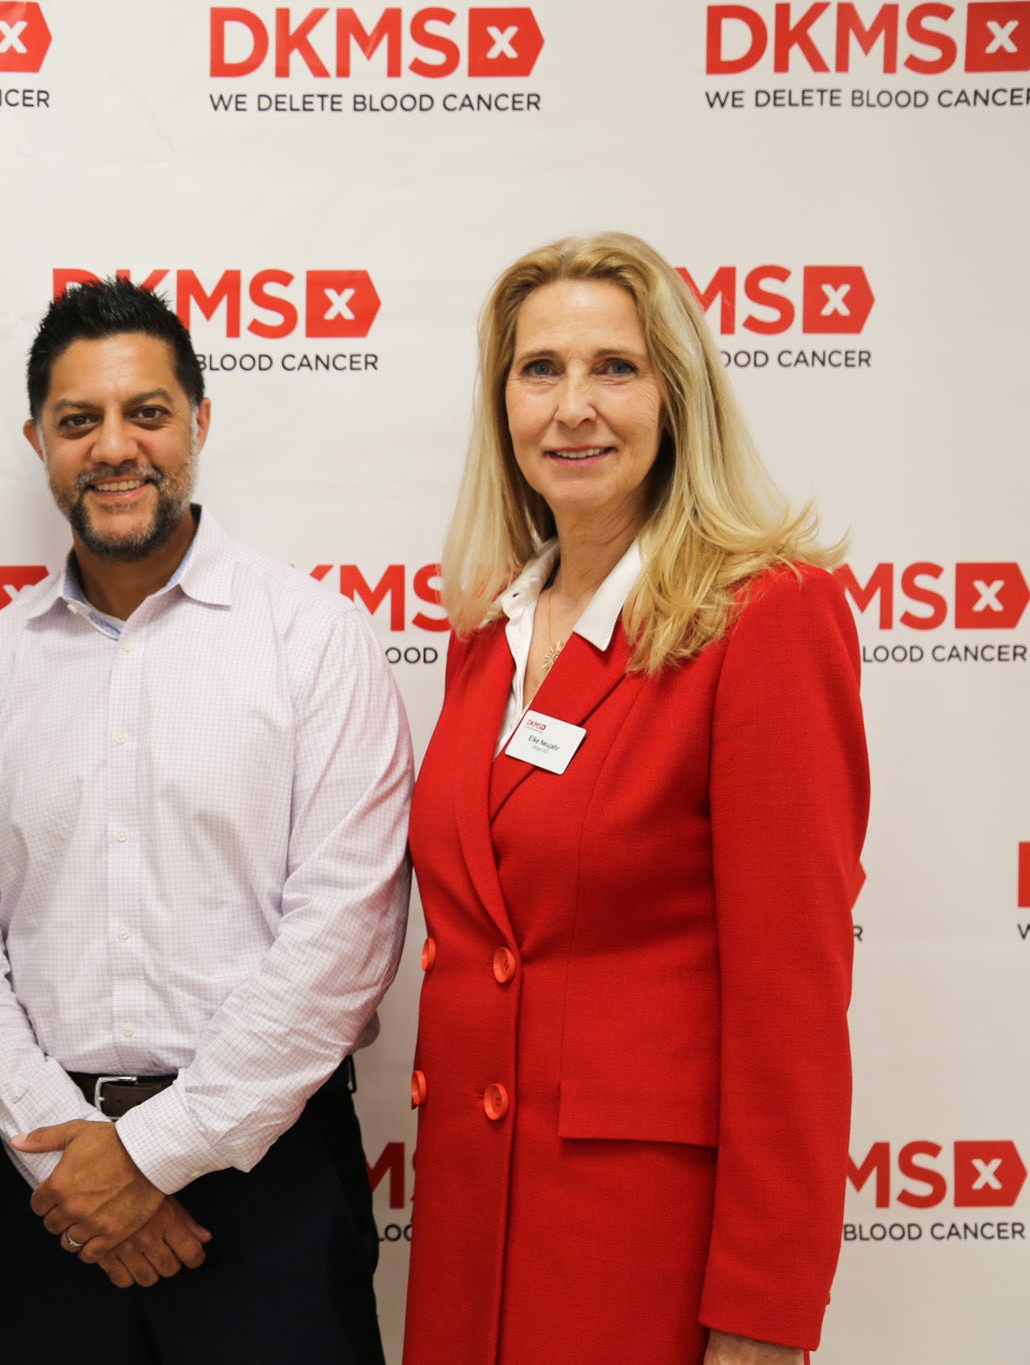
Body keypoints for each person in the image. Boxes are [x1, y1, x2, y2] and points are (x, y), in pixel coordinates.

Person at [0, 277, 414, 1364]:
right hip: (49, 1186)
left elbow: (344, 933)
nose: (113, 448)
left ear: (199, 422)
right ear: (38, 442)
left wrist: (149, 1156)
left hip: (267, 1174)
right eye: (77, 421)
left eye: (146, 413)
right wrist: (75, 1167)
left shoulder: (313, 640)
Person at [402, 232, 868, 1365]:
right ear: (502, 403)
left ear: (676, 397)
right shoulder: (487, 633)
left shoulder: (767, 615)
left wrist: (763, 1311)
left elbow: (792, 1006)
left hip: (642, 1251)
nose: (573, 406)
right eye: (539, 370)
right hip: (470, 1235)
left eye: (614, 367)